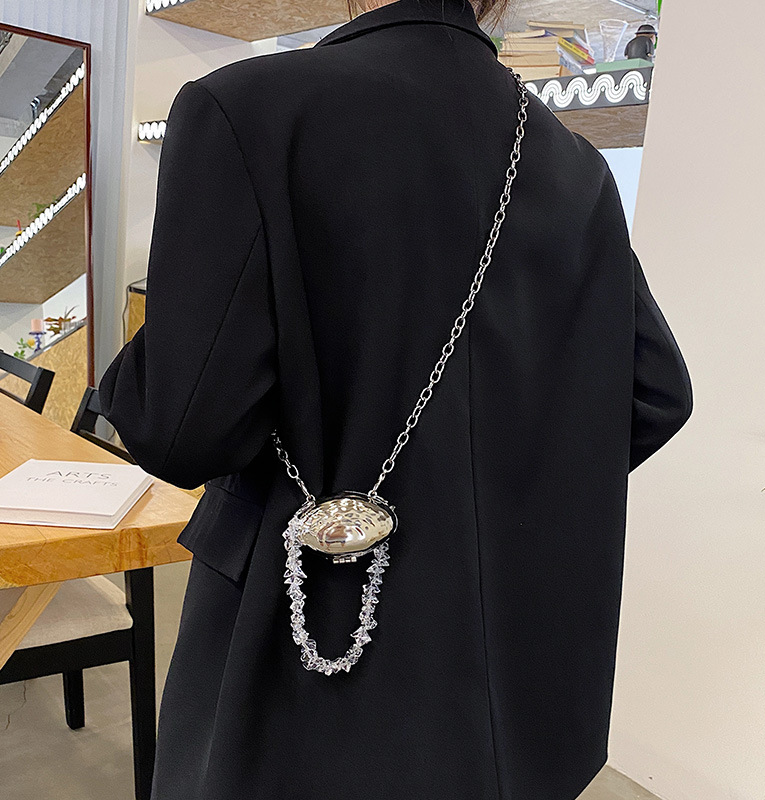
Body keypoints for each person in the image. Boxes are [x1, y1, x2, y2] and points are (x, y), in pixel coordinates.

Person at [98, 0, 692, 797]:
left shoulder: (247, 108)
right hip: (506, 678)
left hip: (301, 651)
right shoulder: (572, 163)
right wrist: (506, 500)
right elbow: (657, 392)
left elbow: (180, 431)